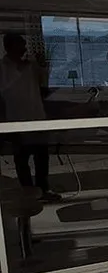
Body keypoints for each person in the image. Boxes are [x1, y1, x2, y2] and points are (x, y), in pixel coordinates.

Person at [0, 33, 59, 202]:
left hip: (36, 117)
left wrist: (43, 66)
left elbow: (44, 85)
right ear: (9, 47)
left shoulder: (31, 66)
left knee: (41, 157)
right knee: (21, 158)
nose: (24, 49)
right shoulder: (3, 67)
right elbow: (5, 89)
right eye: (21, 45)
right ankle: (28, 191)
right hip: (16, 120)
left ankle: (43, 189)